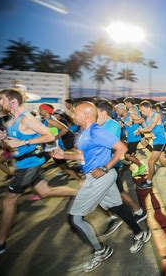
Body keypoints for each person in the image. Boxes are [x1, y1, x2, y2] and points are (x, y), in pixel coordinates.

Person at [52, 102, 150, 272]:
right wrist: (64, 154)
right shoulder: (85, 133)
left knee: (75, 218)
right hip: (98, 176)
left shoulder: (97, 131)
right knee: (117, 206)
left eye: (76, 113)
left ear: (87, 115)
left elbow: (122, 148)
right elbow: (84, 155)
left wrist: (105, 167)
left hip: (100, 177)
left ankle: (101, 250)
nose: (73, 116)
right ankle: (140, 233)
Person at [0, 89, 77, 255]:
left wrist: (25, 141)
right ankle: (79, 192)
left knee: (8, 201)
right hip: (26, 163)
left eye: (2, 99)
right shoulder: (11, 121)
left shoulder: (26, 119)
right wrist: (3, 139)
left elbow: (48, 136)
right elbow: (14, 144)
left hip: (28, 166)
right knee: (44, 191)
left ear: (13, 102)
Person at [95, 99, 147, 236]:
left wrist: (134, 124)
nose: (118, 112)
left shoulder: (113, 123)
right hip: (108, 164)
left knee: (118, 194)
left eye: (119, 109)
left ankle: (134, 219)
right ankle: (133, 213)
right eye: (117, 110)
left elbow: (140, 120)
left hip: (110, 165)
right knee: (118, 193)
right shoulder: (106, 123)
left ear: (102, 112)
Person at [38, 103, 82, 181]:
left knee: (64, 167)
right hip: (49, 147)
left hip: (53, 148)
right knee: (63, 167)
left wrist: (55, 138)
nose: (39, 111)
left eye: (40, 109)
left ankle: (80, 180)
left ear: (46, 111)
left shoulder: (50, 121)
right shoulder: (46, 120)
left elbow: (65, 129)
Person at [115, 103, 147, 177]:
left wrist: (132, 122)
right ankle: (140, 168)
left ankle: (141, 166)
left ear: (122, 109)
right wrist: (123, 126)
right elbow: (128, 127)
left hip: (135, 138)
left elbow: (142, 120)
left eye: (117, 110)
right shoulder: (123, 118)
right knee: (131, 155)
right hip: (130, 139)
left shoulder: (131, 114)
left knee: (127, 155)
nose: (116, 112)